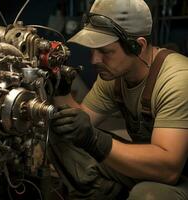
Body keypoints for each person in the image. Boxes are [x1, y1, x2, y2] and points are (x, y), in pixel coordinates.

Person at [48, 0, 188, 199]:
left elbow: (169, 170)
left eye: (105, 51)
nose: (94, 60)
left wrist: (95, 139)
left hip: (178, 175)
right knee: (63, 136)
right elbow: (80, 123)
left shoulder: (178, 79)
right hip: (152, 168)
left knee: (146, 195)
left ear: (138, 46)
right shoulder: (114, 75)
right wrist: (60, 89)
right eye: (92, 50)